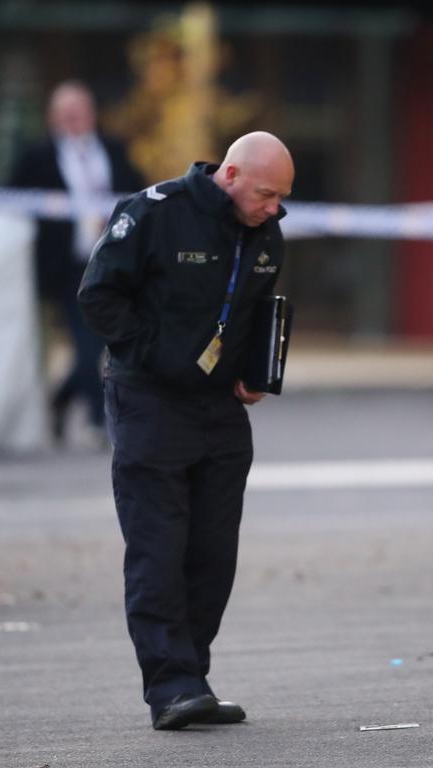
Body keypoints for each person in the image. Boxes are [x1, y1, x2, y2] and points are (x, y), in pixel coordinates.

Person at [77, 132, 294, 730]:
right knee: (158, 549)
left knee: (212, 554)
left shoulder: (266, 233)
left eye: (282, 198)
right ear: (229, 175)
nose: (274, 208)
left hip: (220, 412)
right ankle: (170, 684)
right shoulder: (154, 213)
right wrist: (158, 355)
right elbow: (98, 297)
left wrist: (254, 373)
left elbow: (255, 312)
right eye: (267, 194)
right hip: (150, 401)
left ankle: (190, 676)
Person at [11, 80, 145, 445]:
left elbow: (138, 195)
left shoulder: (114, 151)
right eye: (65, 113)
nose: (73, 120)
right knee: (87, 340)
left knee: (100, 340)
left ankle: (60, 399)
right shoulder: (36, 157)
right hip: (68, 267)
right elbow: (12, 204)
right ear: (53, 117)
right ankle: (99, 421)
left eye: (79, 112)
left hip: (112, 262)